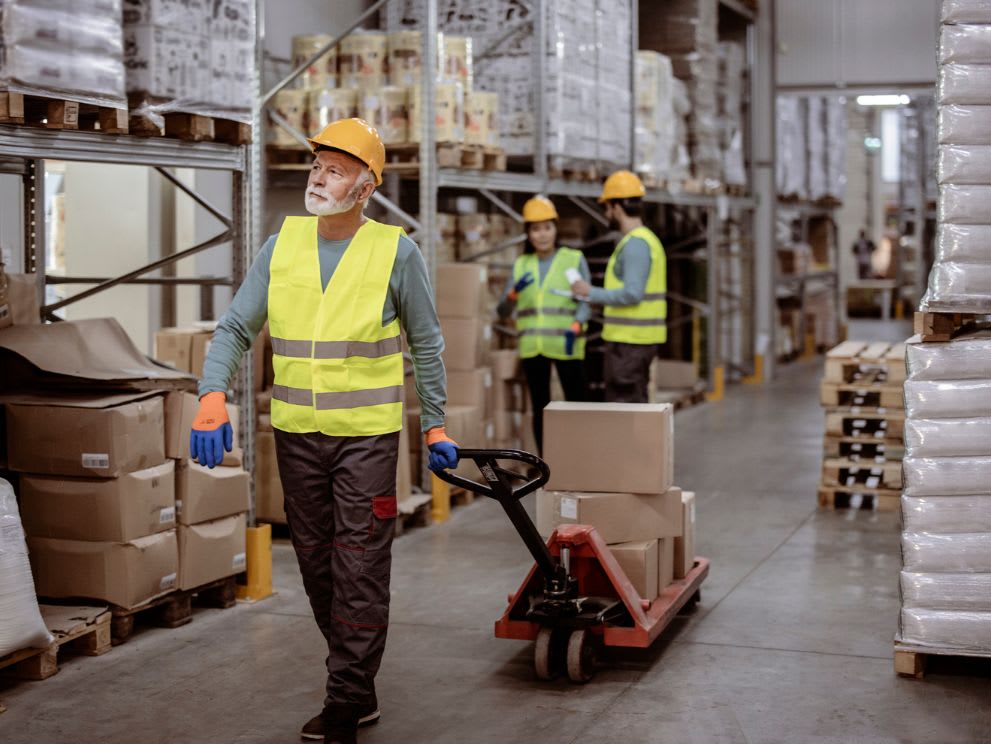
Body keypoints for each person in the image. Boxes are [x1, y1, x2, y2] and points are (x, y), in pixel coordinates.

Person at [186, 118, 458, 744]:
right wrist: (210, 396)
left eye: (335, 169)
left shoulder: (397, 251)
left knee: (359, 565)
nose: (318, 177)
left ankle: (346, 699)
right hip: (296, 436)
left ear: (364, 189)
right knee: (316, 567)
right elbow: (234, 328)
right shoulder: (281, 246)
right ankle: (356, 679)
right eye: (316, 166)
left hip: (365, 438)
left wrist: (437, 425)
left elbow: (427, 343)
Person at [496, 195, 591, 452]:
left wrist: (577, 324)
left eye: (547, 227)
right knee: (541, 408)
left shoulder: (573, 258)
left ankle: (582, 458)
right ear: (528, 233)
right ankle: (547, 464)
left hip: (567, 344)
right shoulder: (521, 264)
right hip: (533, 347)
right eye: (535, 229)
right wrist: (514, 293)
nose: (542, 235)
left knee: (577, 404)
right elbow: (502, 309)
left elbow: (586, 301)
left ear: (555, 228)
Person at [570, 170, 666, 403]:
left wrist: (590, 292)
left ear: (617, 207)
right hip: (633, 342)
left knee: (625, 406)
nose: (606, 213)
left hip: (630, 343)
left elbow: (633, 294)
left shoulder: (636, 245)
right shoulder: (640, 241)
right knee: (634, 405)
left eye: (607, 207)